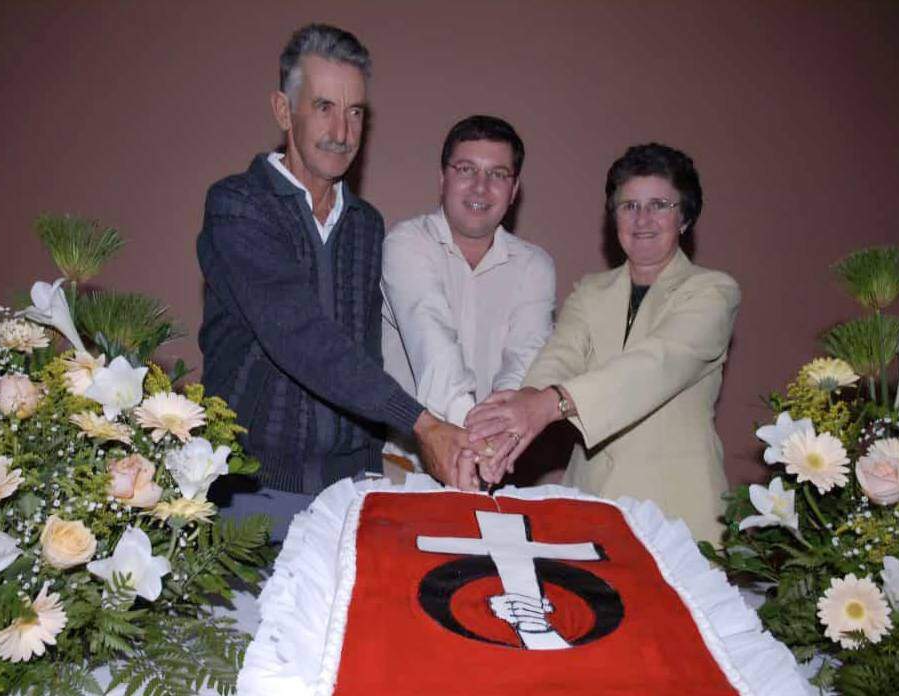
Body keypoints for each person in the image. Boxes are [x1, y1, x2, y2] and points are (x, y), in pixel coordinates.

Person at [196, 24, 477, 539]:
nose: (343, 132)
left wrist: (374, 466)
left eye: (355, 112)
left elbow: (365, 352)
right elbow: (300, 336)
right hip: (250, 490)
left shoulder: (366, 224)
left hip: (348, 493)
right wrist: (423, 424)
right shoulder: (238, 206)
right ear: (284, 110)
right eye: (324, 107)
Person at [466, 143, 740, 541]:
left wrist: (546, 405)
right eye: (629, 206)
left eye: (659, 205)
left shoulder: (714, 292)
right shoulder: (590, 291)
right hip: (591, 502)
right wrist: (515, 419)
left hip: (679, 512)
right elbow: (560, 356)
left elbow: (654, 365)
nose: (642, 219)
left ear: (685, 217)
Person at [381, 115, 555, 467]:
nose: (480, 187)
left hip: (491, 463)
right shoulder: (407, 243)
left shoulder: (534, 266)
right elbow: (434, 348)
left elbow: (524, 362)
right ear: (442, 179)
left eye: (498, 174)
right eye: (466, 170)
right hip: (403, 464)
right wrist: (479, 443)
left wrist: (496, 435)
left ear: (514, 190)